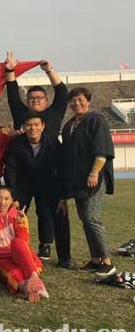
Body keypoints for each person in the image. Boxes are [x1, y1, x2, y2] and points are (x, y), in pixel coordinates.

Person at [60, 87, 116, 277]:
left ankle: (107, 262)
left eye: (80, 99)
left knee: (92, 218)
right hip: (77, 180)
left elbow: (102, 149)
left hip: (94, 178)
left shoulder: (96, 120)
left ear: (88, 101)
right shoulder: (69, 125)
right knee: (85, 220)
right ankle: (96, 259)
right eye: (73, 101)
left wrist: (94, 172)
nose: (77, 103)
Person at [4, 112, 71, 264]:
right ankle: (10, 253)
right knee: (14, 215)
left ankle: (64, 257)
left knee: (59, 215)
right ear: (24, 127)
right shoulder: (16, 143)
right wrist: (13, 197)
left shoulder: (52, 142)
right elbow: (10, 170)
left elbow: (62, 168)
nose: (32, 128)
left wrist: (62, 196)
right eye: (28, 125)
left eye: (36, 124)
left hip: (48, 183)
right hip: (23, 184)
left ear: (43, 126)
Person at [0, 187, 49, 302]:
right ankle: (26, 288)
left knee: (17, 242)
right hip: (1, 257)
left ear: (12, 201)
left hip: (18, 253)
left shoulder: (18, 215)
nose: (2, 202)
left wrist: (20, 223)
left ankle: (34, 278)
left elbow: (24, 242)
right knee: (14, 272)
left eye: (6, 199)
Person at [3, 52, 68, 138]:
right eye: (31, 98)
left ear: (46, 100)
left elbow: (62, 92)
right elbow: (13, 94)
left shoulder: (54, 113)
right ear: (27, 101)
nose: (35, 100)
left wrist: (49, 71)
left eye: (39, 97)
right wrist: (9, 70)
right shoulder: (20, 113)